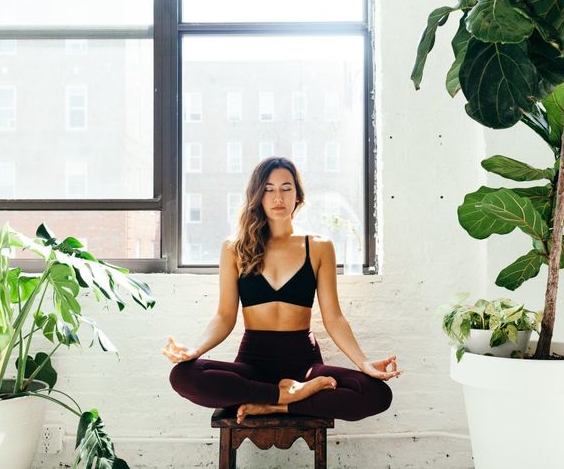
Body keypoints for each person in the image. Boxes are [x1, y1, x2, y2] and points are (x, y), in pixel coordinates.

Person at [164, 156, 399, 423]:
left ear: (298, 195)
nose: (278, 197)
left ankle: (275, 405)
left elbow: (334, 318)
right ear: (257, 195)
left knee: (376, 393)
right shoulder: (235, 248)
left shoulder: (319, 246)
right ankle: (281, 395)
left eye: (286, 188)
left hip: (304, 365)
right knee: (182, 375)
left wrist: (364, 363)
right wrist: (195, 351)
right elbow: (224, 317)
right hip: (252, 363)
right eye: (268, 188)